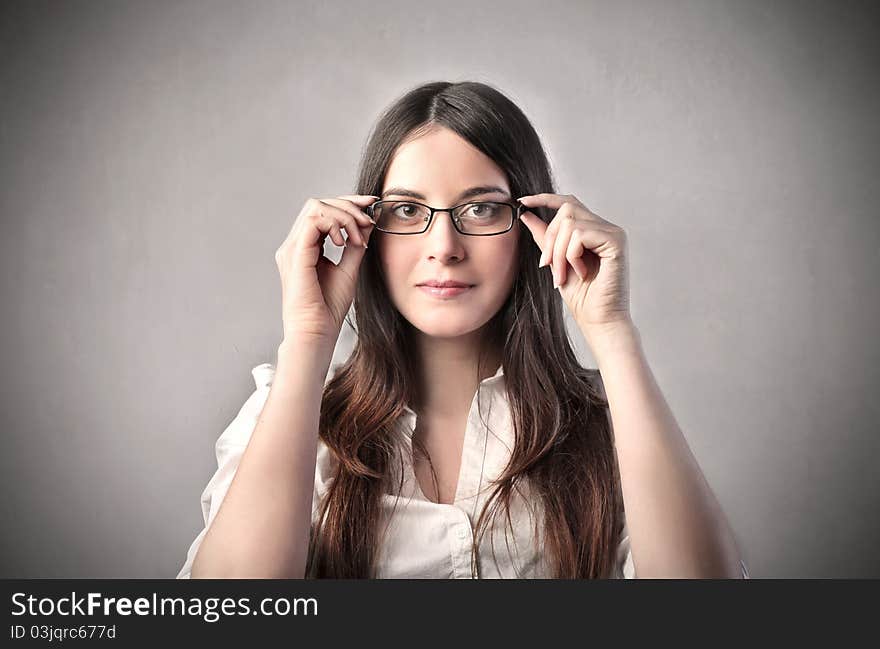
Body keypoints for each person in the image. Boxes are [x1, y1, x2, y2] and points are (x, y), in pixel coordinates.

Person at [177, 80, 750, 579]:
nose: (444, 248)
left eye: (481, 209)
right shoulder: (292, 411)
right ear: (366, 229)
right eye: (406, 210)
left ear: (533, 228)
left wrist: (614, 332)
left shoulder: (611, 422)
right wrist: (307, 338)